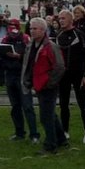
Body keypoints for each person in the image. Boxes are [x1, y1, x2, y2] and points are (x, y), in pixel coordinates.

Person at [21, 18, 66, 155]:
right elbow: (28, 64)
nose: (32, 31)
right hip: (38, 84)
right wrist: (27, 81)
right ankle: (61, 139)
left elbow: (59, 67)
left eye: (35, 28)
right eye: (31, 29)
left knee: (46, 116)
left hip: (47, 86)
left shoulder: (50, 46)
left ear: (43, 30)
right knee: (50, 114)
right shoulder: (31, 45)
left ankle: (50, 145)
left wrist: (49, 82)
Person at [55, 9, 85, 145]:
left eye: (63, 18)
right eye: (59, 18)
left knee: (82, 104)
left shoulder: (79, 35)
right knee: (63, 105)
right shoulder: (58, 35)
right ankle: (65, 132)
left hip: (79, 74)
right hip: (63, 76)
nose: (60, 21)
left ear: (70, 20)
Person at [3, 19, 40, 143]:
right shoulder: (5, 40)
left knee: (27, 106)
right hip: (9, 75)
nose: (12, 32)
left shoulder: (26, 39)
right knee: (15, 107)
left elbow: (31, 57)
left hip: (23, 76)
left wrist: (19, 57)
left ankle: (34, 134)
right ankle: (19, 132)